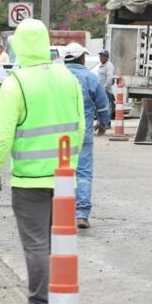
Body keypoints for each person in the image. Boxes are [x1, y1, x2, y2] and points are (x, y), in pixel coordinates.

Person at [0, 18, 85, 304]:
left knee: (36, 243)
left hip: (30, 180)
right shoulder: (68, 78)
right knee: (60, 246)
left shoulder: (16, 83)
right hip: (65, 178)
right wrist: (69, 163)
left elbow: (3, 135)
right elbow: (80, 127)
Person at [63, 43, 111, 229]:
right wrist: (103, 125)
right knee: (82, 172)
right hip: (82, 134)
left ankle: (59, 211)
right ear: (82, 58)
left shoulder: (56, 78)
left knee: (60, 171)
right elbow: (103, 106)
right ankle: (81, 214)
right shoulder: (91, 79)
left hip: (57, 135)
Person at [97, 49, 115, 135]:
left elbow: (109, 77)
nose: (101, 57)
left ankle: (107, 124)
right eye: (100, 56)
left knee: (107, 107)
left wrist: (104, 88)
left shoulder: (109, 65)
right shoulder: (101, 65)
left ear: (107, 57)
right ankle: (101, 123)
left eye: (102, 56)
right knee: (101, 107)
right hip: (101, 90)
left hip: (106, 91)